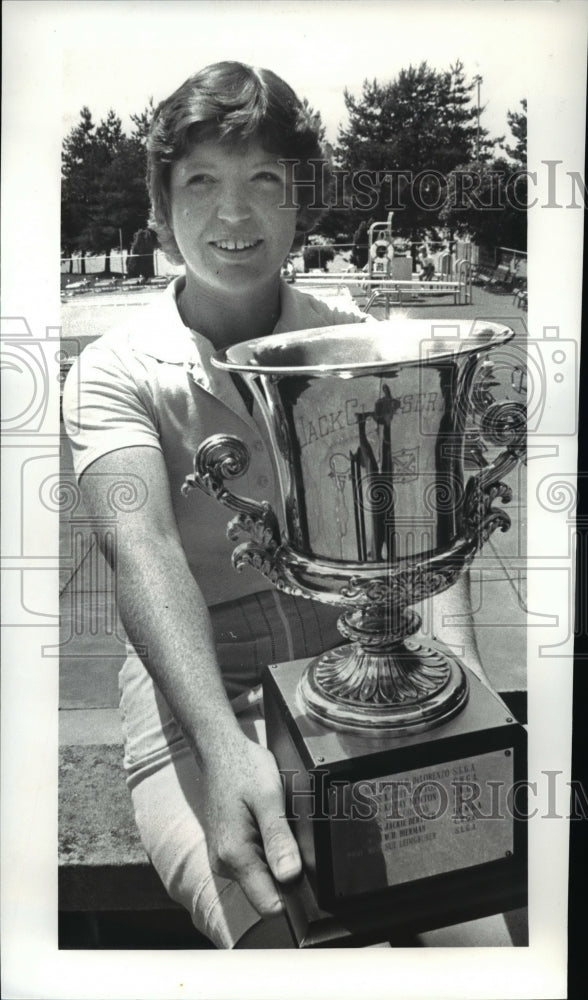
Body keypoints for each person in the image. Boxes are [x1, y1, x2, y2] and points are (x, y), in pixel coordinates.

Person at [63, 61, 495, 949]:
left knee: (474, 923)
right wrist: (224, 748)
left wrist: (464, 690)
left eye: (264, 180)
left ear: (300, 200)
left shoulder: (356, 341)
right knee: (286, 933)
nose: (233, 215)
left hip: (363, 648)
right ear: (162, 200)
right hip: (199, 679)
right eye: (202, 183)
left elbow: (419, 516)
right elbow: (141, 551)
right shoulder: (113, 370)